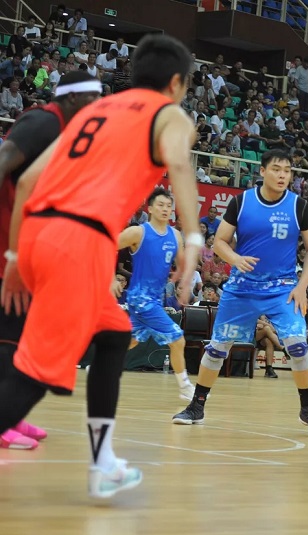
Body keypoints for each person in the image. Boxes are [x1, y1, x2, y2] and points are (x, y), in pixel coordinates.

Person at [0, 35, 202, 500]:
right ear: (176, 83)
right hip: (78, 241)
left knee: (113, 333)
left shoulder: (95, 110)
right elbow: (178, 163)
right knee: (33, 375)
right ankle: (101, 464)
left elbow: (27, 182)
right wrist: (192, 239)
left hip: (37, 234)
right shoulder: (168, 113)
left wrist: (14, 256)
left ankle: (103, 463)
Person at [172, 149, 308, 436]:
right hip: (241, 289)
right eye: (277, 169)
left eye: (287, 171)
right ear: (263, 171)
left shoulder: (299, 206)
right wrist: (235, 259)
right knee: (218, 348)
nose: (282, 175)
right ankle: (196, 406)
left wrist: (302, 285)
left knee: (297, 345)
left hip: (282, 289)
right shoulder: (241, 202)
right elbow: (219, 241)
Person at [0, 72, 99, 450]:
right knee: (8, 337)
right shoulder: (44, 121)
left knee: (20, 337)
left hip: (26, 251)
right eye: (92, 98)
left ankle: (11, 414)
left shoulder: (68, 134)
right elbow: (3, 160)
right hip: (6, 249)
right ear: (72, 98)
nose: (97, 106)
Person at [117, 188, 195, 401]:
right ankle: (185, 387)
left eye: (169, 206)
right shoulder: (138, 232)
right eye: (160, 205)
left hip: (156, 299)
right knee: (178, 340)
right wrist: (111, 278)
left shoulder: (175, 235)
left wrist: (183, 277)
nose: (165, 209)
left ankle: (101, 365)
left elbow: (181, 263)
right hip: (140, 299)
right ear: (150, 208)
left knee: (132, 341)